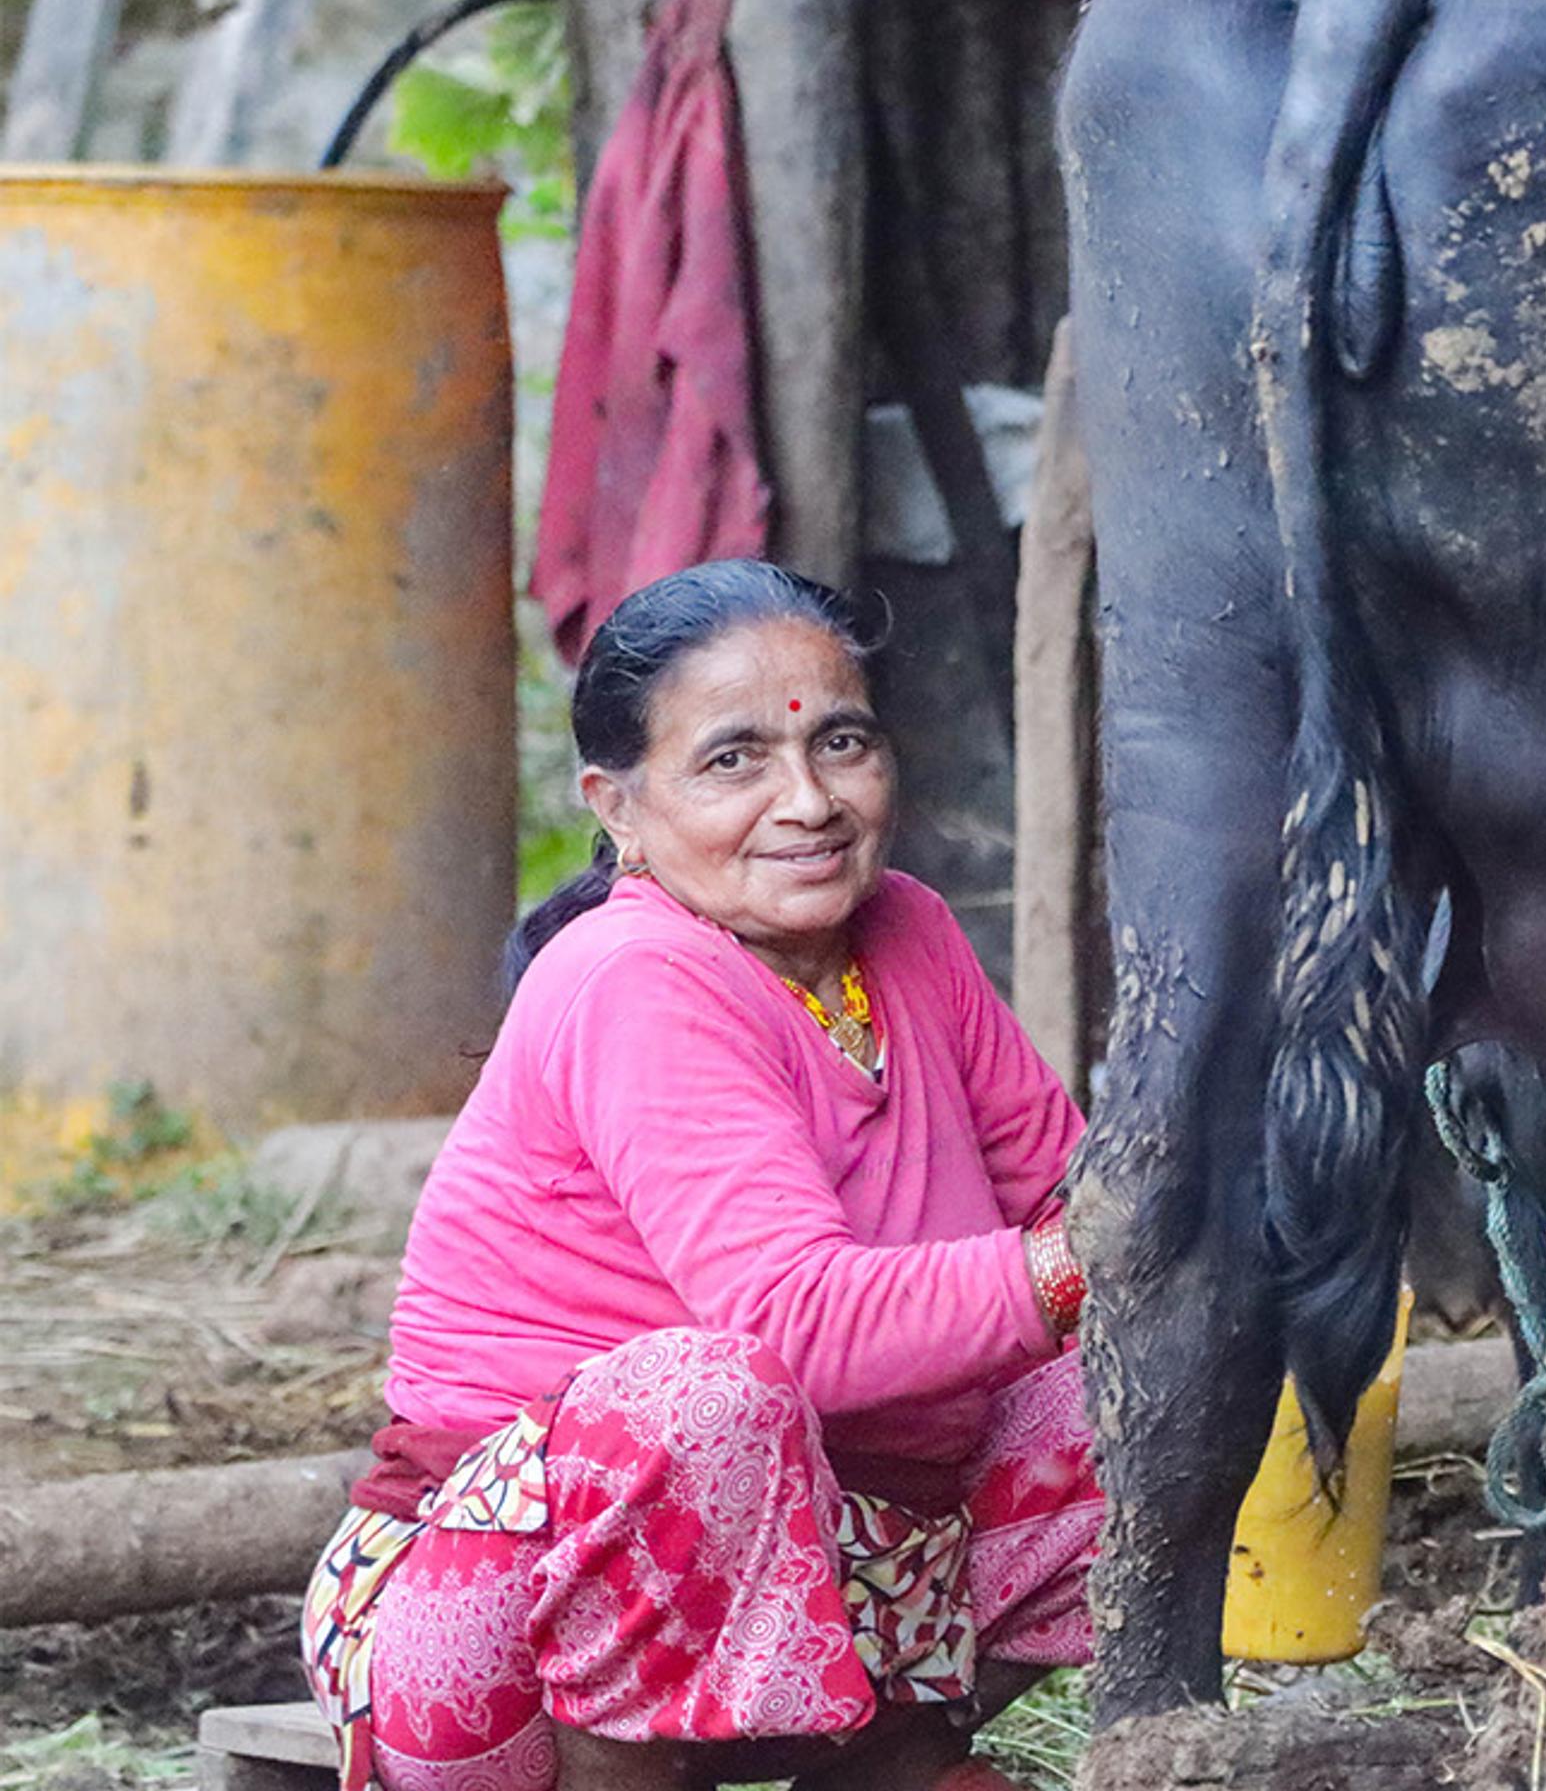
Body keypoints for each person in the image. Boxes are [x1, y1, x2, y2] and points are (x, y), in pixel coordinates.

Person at [301, 561, 1094, 1791]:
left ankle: (888, 1756)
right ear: (617, 805)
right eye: (736, 761)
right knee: (706, 1396)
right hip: (485, 1647)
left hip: (833, 1581)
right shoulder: (633, 975)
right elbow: (800, 1327)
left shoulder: (911, 932)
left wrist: (1151, 1244)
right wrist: (1078, 1261)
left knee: (1158, 1350)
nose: (810, 800)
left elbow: (1070, 1196)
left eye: (843, 742)